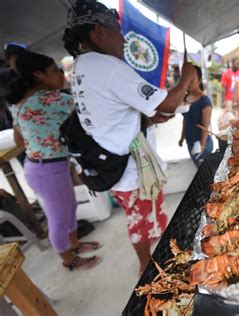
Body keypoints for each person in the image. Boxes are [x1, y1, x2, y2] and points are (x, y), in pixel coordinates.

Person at [63, 0, 196, 274]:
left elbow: (110, 111)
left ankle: (156, 249)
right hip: (129, 168)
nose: (123, 39)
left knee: (146, 216)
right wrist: (185, 79)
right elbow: (167, 104)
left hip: (113, 159)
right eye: (117, 30)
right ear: (99, 32)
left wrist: (148, 116)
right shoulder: (109, 67)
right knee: (140, 220)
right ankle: (145, 265)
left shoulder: (82, 66)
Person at [6, 51, 102, 271]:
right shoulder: (57, 100)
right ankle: (69, 260)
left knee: (68, 209)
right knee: (58, 219)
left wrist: (40, 139)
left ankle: (75, 245)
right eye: (54, 71)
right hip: (49, 171)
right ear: (39, 75)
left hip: (42, 168)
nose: (61, 75)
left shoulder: (19, 104)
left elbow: (19, 139)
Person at [179, 65, 213, 166]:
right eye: (186, 80)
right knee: (198, 170)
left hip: (203, 144)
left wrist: (202, 146)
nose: (188, 83)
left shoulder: (205, 100)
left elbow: (205, 126)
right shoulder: (185, 98)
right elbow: (185, 120)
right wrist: (182, 137)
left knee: (205, 174)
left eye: (191, 80)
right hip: (190, 142)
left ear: (199, 80)